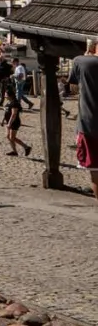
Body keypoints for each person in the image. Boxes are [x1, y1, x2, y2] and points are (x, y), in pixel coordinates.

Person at [67, 39, 98, 203]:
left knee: (95, 171)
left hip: (89, 125)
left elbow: (73, 87)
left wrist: (88, 53)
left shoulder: (82, 61)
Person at [2, 84, 31, 158]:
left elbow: (13, 114)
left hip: (14, 122)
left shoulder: (14, 103)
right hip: (9, 122)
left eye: (6, 95)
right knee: (8, 136)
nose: (5, 96)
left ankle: (26, 147)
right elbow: (6, 113)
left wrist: (9, 124)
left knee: (12, 137)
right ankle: (14, 151)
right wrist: (2, 120)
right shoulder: (8, 103)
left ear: (10, 96)